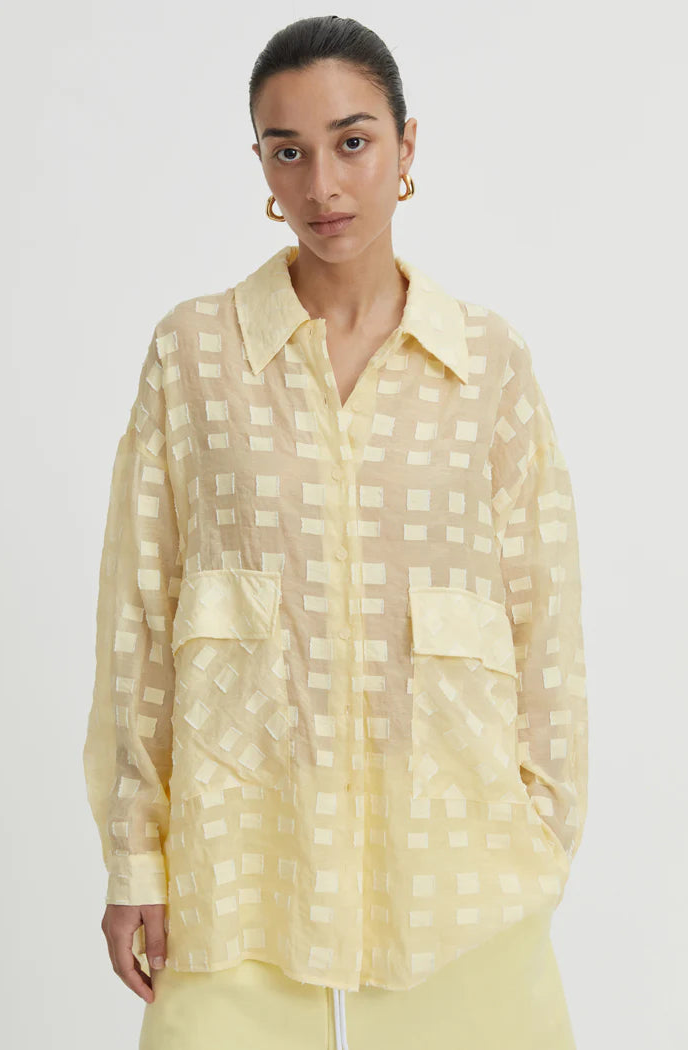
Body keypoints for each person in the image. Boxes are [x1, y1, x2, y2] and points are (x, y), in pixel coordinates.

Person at [82, 14, 588, 1050]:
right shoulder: (194, 355)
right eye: (289, 151)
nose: (322, 185)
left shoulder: (488, 364)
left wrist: (543, 832)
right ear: (262, 167)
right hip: (240, 870)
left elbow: (545, 619)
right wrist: (136, 859)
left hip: (458, 881)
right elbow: (139, 616)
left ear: (406, 147)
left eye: (352, 142)